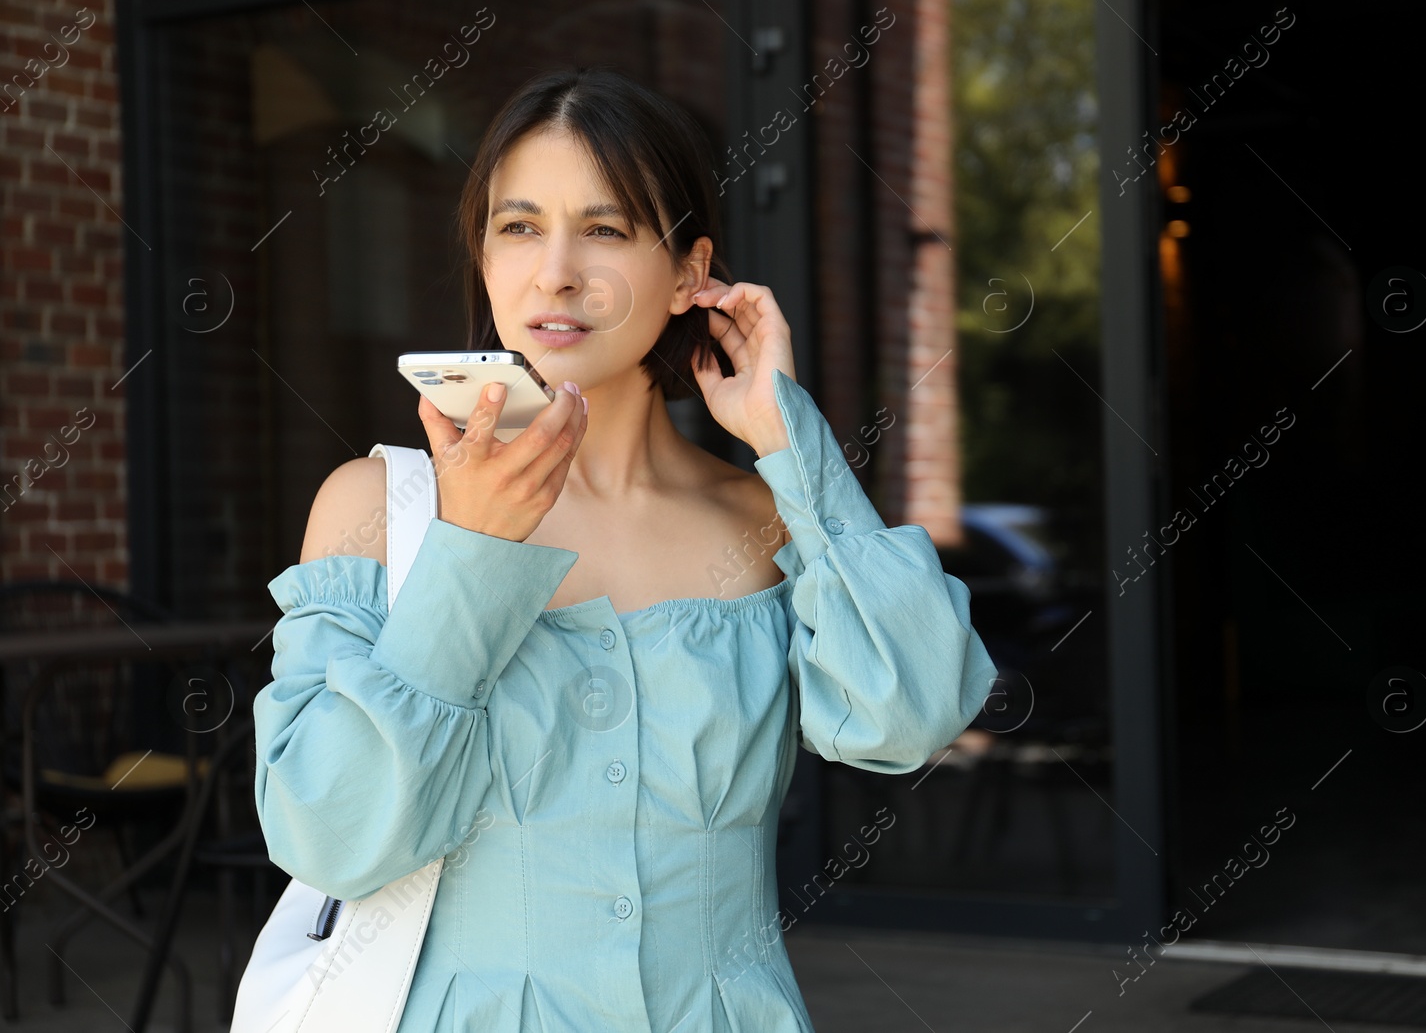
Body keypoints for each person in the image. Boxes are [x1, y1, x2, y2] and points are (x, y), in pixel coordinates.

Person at [254, 65, 998, 1033]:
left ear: (691, 270)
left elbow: (912, 715)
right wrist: (468, 553)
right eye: (517, 226)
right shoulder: (377, 509)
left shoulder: (762, 519)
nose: (553, 271)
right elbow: (330, 833)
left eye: (603, 229)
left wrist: (789, 441)